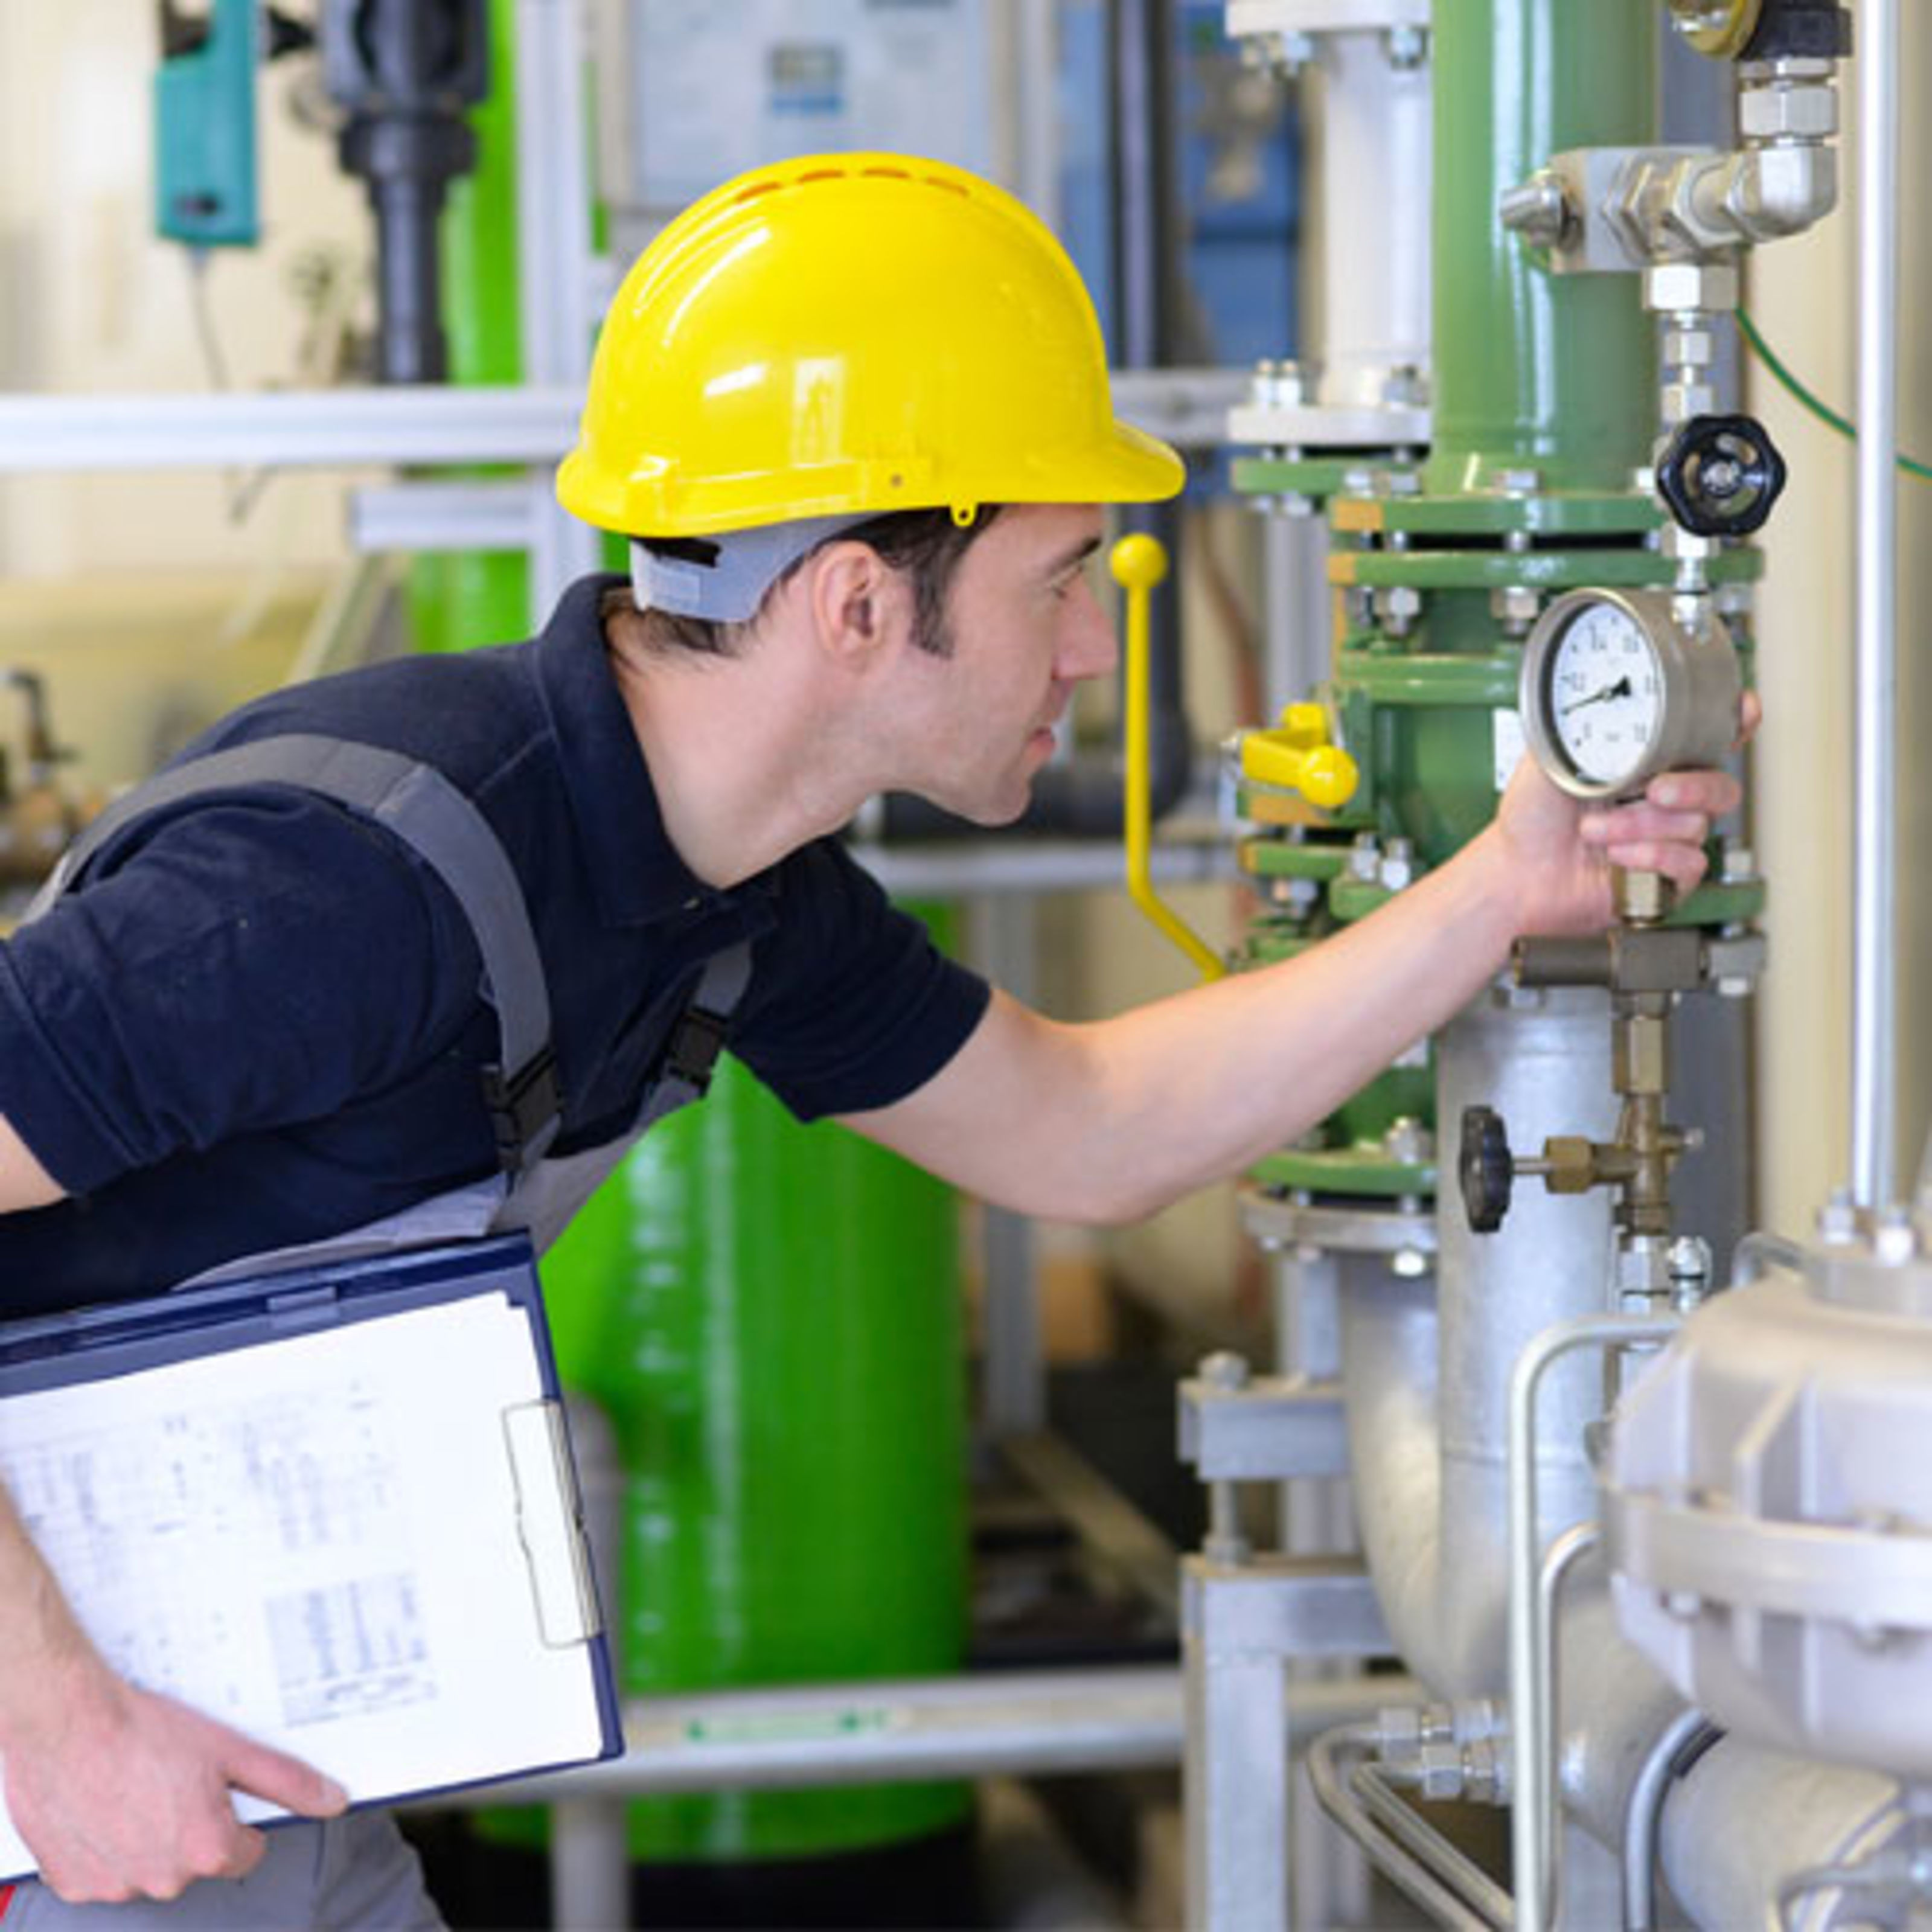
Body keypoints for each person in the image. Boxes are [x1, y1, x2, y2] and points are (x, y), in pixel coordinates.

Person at [0, 152, 1741, 1925]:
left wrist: (1505, 888)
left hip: (229, 1764)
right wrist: (53, 1719)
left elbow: (1087, 1128)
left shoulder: (737, 896)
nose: (1091, 649)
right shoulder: (345, 880)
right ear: (856, 603)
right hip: (55, 1768)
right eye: (1060, 578)